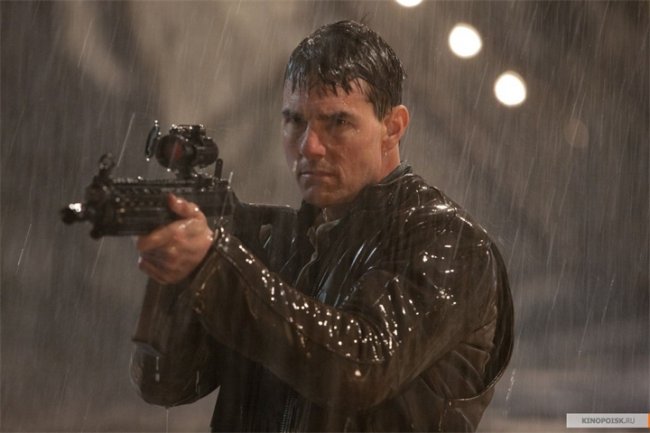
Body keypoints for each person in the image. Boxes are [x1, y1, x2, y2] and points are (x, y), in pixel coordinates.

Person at [131, 20, 513, 432]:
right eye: (295, 121)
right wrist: (179, 270)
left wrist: (213, 267)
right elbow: (166, 383)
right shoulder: (276, 244)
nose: (309, 147)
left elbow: (360, 366)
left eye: (337, 123)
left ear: (393, 127)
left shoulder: (450, 243)